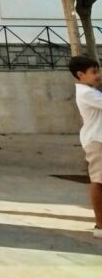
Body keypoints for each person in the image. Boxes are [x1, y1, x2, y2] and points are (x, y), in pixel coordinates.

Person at [69, 55, 102, 238]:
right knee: (98, 181)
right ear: (80, 75)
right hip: (97, 141)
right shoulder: (86, 93)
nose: (97, 75)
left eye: (97, 70)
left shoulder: (92, 91)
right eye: (93, 72)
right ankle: (100, 225)